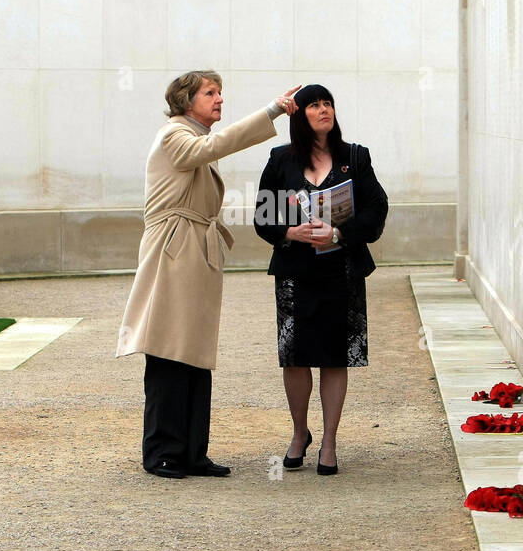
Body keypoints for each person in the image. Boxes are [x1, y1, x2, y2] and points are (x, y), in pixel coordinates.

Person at [117, 71, 299, 479]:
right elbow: (214, 145)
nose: (219, 99)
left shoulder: (193, 138)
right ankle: (163, 452)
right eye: (210, 93)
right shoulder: (174, 134)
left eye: (220, 92)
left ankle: (194, 452)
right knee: (168, 350)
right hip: (174, 252)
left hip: (192, 251)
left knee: (195, 353)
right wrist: (272, 110)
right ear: (186, 100)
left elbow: (210, 148)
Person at [252, 84, 388, 475]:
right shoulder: (282, 160)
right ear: (300, 116)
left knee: (334, 356)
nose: (324, 109)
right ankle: (299, 434)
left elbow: (377, 208)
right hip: (296, 274)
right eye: (314, 104)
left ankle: (329, 441)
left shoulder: (354, 158)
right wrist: (289, 233)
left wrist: (340, 234)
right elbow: (264, 216)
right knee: (295, 357)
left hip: (341, 273)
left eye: (328, 103)